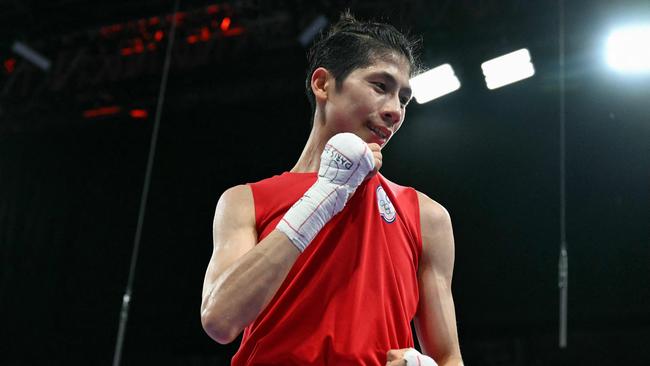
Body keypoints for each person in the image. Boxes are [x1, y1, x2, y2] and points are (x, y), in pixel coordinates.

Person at [201, 11, 463, 366]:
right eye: (380, 86)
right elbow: (220, 319)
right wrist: (323, 197)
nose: (395, 111)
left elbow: (449, 358)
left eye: (403, 98)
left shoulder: (426, 217)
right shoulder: (245, 201)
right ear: (323, 84)